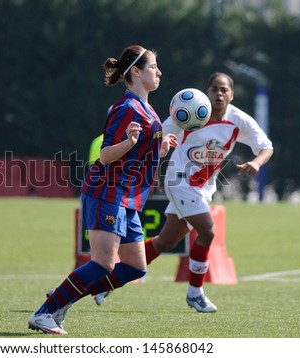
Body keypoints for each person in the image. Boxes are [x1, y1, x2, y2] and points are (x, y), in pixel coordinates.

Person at [28, 44, 177, 334]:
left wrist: (161, 148)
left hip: (129, 197)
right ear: (135, 71)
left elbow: (141, 157)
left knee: (135, 267)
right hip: (108, 190)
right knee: (103, 264)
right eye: (153, 67)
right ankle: (45, 311)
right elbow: (106, 155)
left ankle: (61, 300)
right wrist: (130, 143)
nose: (159, 72)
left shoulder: (148, 109)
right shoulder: (125, 108)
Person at [95, 72, 274, 312]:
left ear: (232, 94)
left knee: (166, 242)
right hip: (179, 180)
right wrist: (152, 166)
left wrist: (257, 163)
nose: (218, 94)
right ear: (207, 92)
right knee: (208, 232)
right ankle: (195, 293)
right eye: (214, 89)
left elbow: (266, 147)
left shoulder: (239, 120)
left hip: (203, 188)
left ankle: (105, 282)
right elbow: (157, 138)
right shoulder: (189, 113)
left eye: (224, 89)